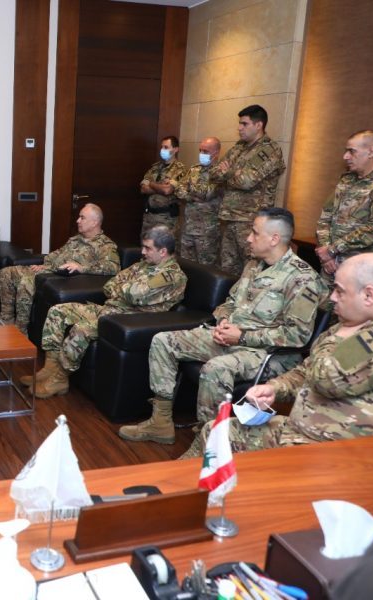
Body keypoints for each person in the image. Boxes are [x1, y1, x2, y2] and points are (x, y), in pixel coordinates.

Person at [181, 253, 373, 458]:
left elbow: (326, 378)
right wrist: (275, 388)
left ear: (369, 295)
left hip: (345, 455)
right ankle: (175, 486)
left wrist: (340, 334)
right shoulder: (358, 325)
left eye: (339, 291)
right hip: (306, 434)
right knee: (216, 432)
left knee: (218, 442)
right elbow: (307, 369)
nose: (332, 297)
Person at [118, 208, 321, 445]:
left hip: (267, 354)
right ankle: (160, 423)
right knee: (163, 341)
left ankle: (208, 443)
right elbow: (231, 302)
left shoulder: (302, 278)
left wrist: (241, 336)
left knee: (216, 369)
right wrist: (224, 320)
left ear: (274, 238)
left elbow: (297, 336)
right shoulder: (253, 265)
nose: (248, 238)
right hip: (230, 338)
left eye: (255, 233)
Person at [28, 226, 187, 398]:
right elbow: (110, 284)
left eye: (148, 248)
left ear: (163, 251)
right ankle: (50, 368)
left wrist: (124, 289)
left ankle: (59, 379)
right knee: (58, 311)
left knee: (81, 329)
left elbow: (134, 295)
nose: (142, 252)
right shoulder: (144, 265)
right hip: (109, 309)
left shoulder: (171, 276)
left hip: (125, 320)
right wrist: (126, 288)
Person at [0, 203, 119, 334]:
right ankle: (6, 321)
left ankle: (20, 331)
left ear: (94, 222)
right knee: (7, 272)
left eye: (82, 218)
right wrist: (44, 264)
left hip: (61, 278)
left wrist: (82, 268)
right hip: (49, 270)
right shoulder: (76, 239)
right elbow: (57, 253)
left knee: (26, 282)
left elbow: (113, 267)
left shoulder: (105, 245)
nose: (78, 220)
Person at [315, 130, 373, 287]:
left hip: (363, 272)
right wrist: (325, 253)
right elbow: (326, 216)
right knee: (325, 301)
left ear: (371, 152)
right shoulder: (346, 180)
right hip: (330, 266)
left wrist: (332, 250)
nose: (345, 156)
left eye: (352, 151)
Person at [210, 105, 286, 276]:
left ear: (258, 125)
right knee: (227, 270)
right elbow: (213, 174)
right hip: (229, 218)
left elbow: (246, 181)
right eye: (239, 123)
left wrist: (227, 171)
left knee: (250, 272)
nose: (239, 128)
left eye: (244, 124)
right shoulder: (239, 147)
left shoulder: (269, 150)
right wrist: (231, 173)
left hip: (252, 223)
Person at [175, 136, 223, 266]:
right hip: (188, 227)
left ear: (216, 153)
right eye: (200, 150)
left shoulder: (220, 173)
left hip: (207, 231)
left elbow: (207, 194)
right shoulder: (194, 169)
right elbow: (179, 189)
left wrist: (190, 188)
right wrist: (191, 196)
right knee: (186, 265)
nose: (201, 154)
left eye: (205, 151)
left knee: (206, 268)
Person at [140, 136, 187, 238]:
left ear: (176, 149)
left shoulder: (180, 169)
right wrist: (160, 187)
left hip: (166, 219)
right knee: (146, 246)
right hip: (149, 217)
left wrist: (151, 184)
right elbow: (143, 189)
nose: (162, 150)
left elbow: (167, 190)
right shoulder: (155, 167)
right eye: (162, 147)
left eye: (166, 147)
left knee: (163, 246)